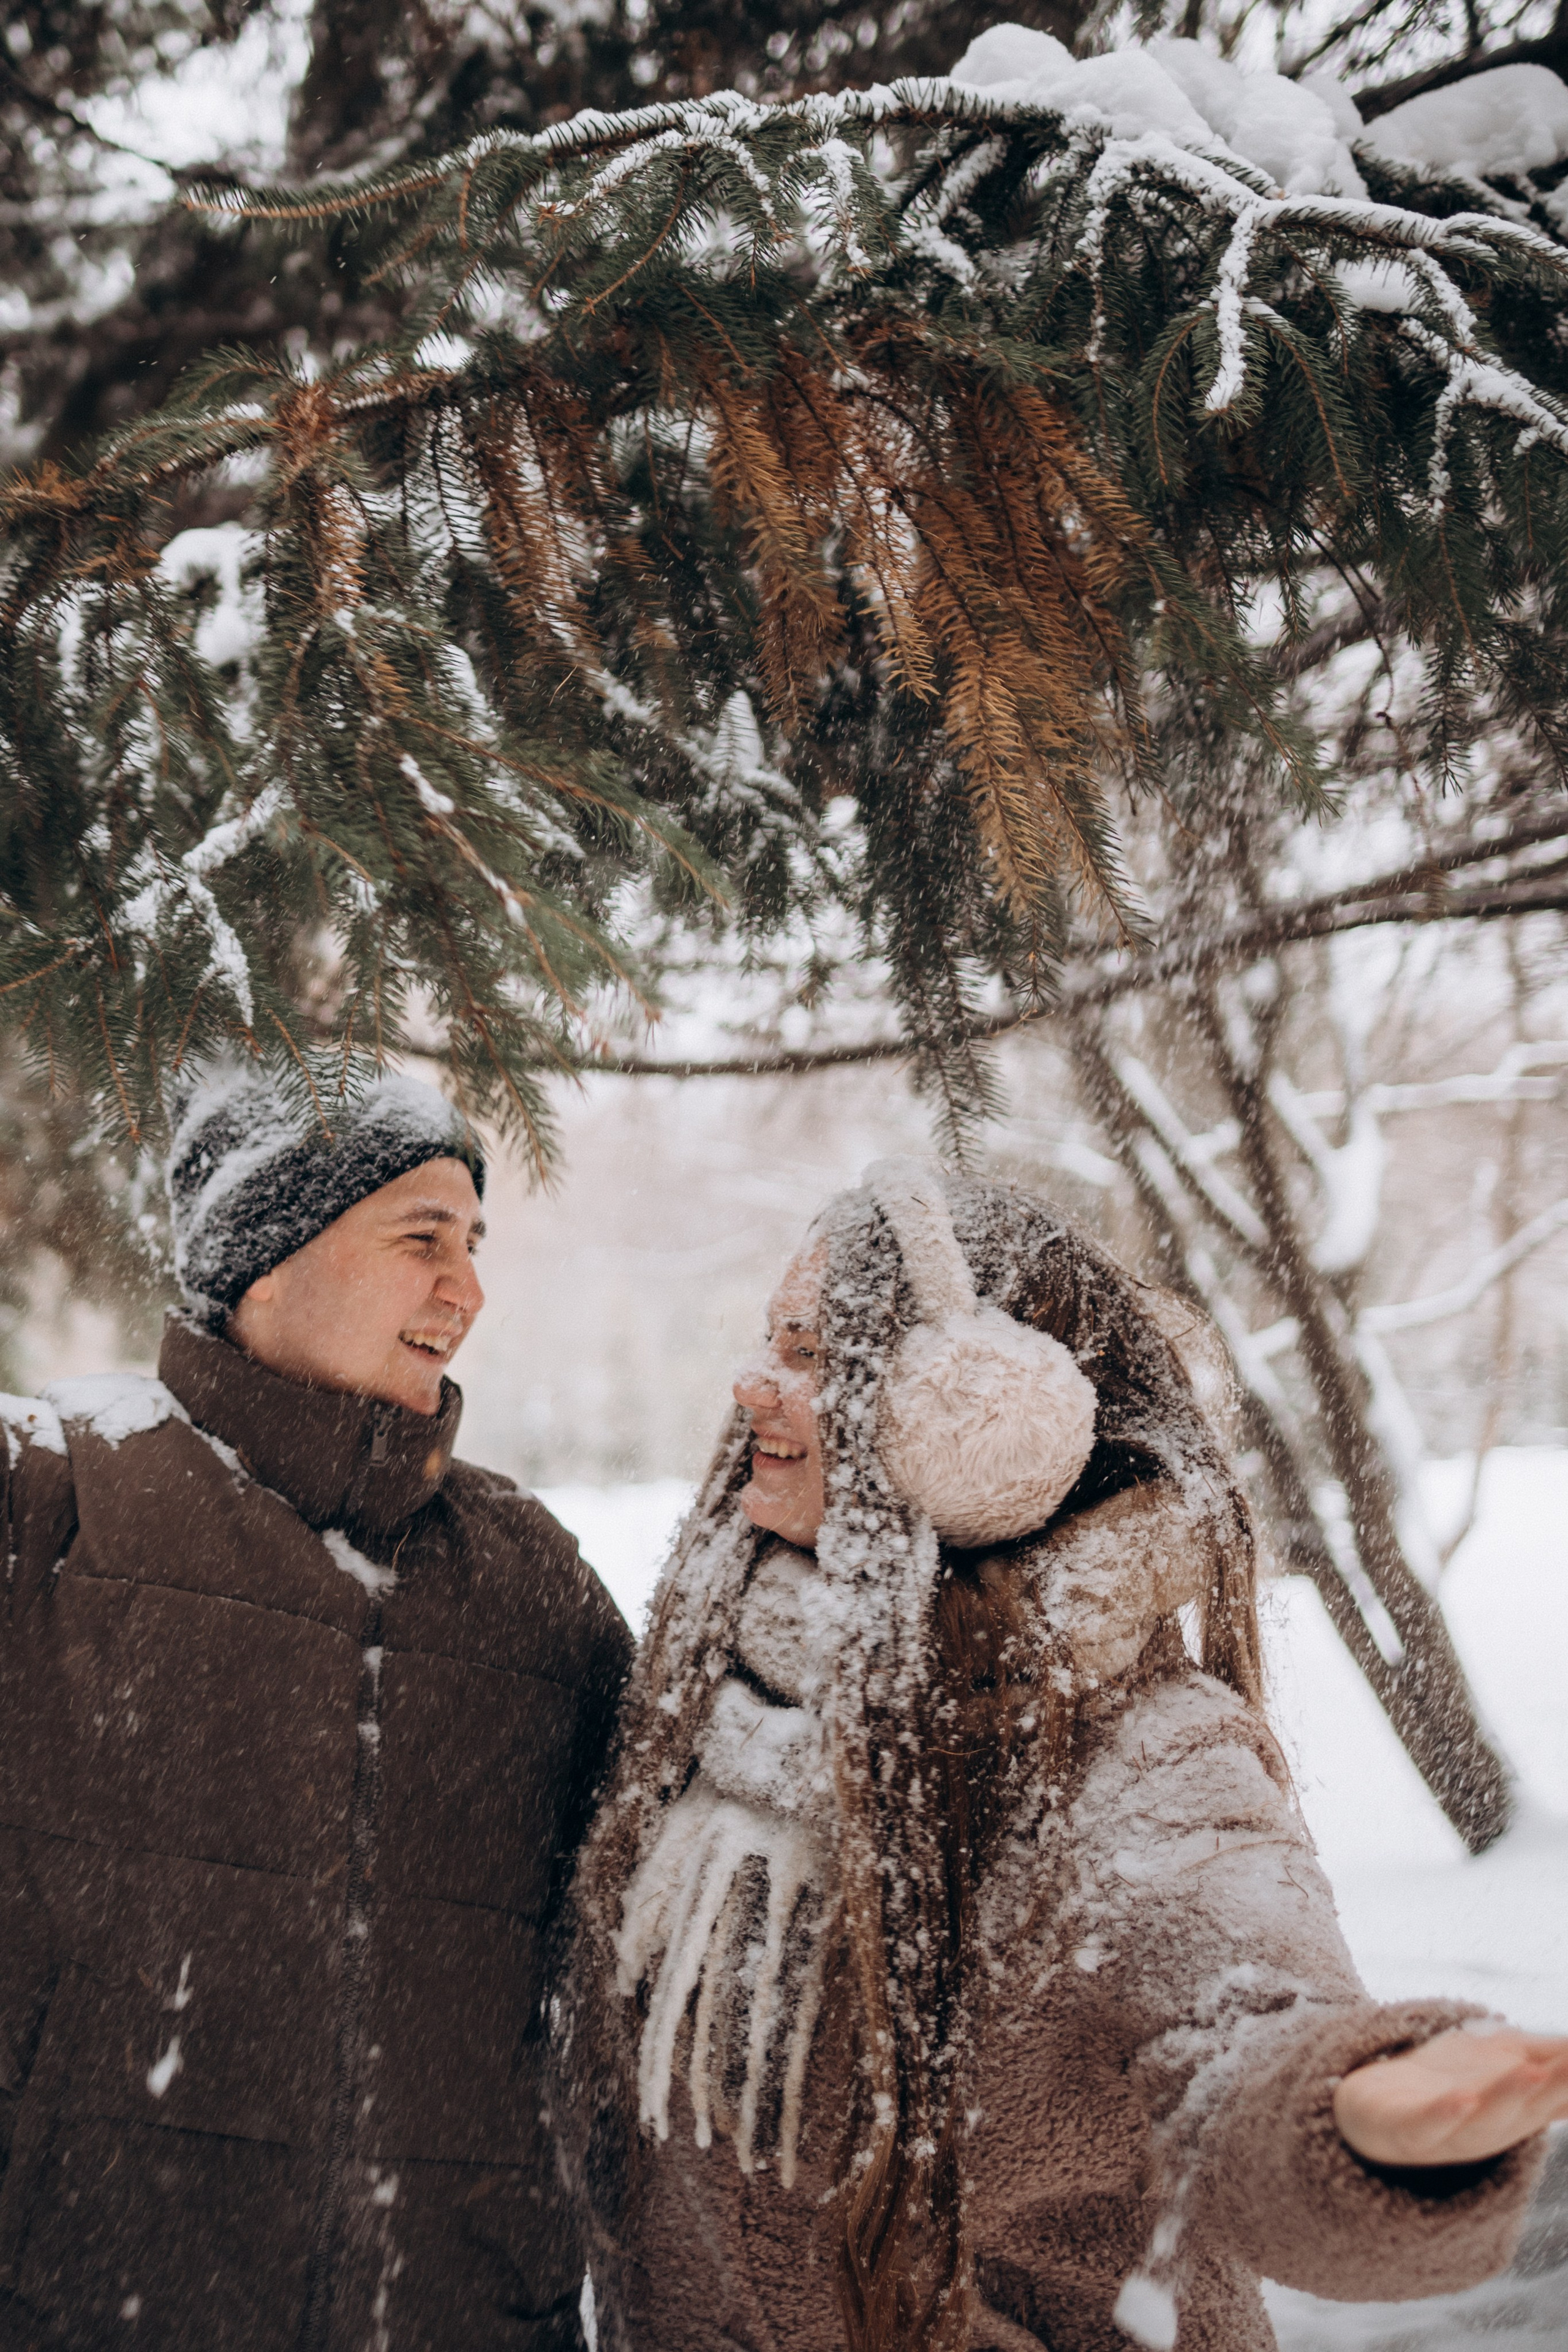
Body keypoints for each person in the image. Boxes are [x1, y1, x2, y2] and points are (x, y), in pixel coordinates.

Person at [562, 1158, 1568, 2352]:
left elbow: (1241, 2029)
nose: (750, 1384)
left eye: (809, 1354)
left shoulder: (1135, 1756)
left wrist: (1350, 2117)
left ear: (967, 1421)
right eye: (766, 1340)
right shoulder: (711, 1689)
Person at [0, 1064, 631, 2351]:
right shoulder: (53, 1499)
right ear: (264, 1262)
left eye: (473, 1246)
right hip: (90, 2299)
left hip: (457, 2312)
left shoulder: (531, 1587)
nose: (466, 1291)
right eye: (422, 1240)